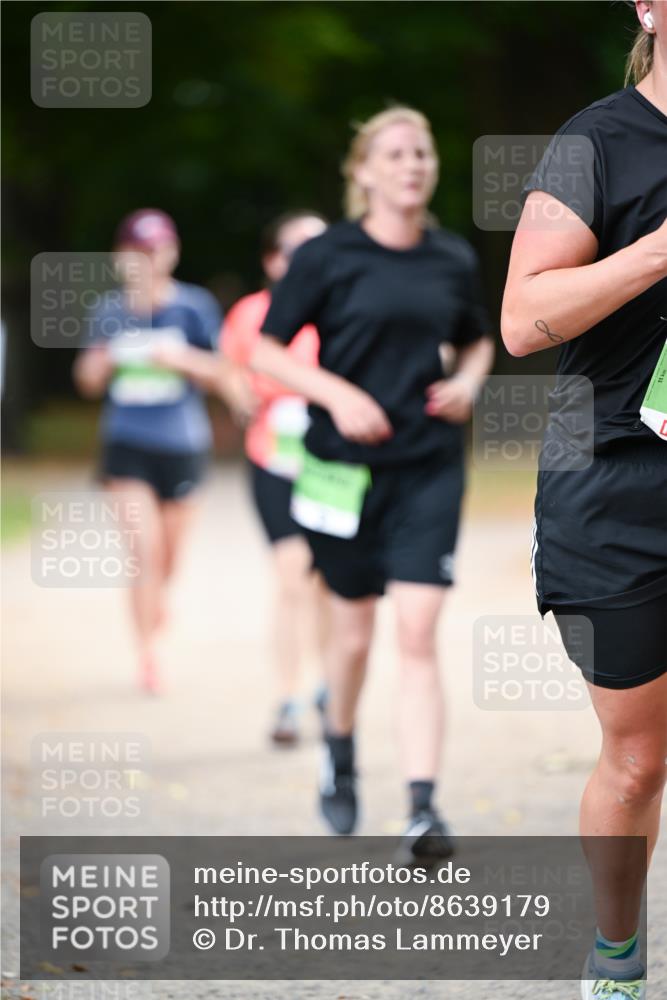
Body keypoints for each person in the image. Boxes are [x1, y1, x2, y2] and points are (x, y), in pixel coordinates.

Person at [252, 107, 494, 860]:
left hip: (427, 465)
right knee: (353, 638)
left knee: (417, 632)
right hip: (340, 472)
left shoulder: (450, 257)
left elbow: (477, 337)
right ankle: (340, 749)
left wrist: (471, 382)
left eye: (421, 152)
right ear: (363, 172)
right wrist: (335, 393)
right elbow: (266, 352)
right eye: (393, 154)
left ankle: (422, 808)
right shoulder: (326, 255)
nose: (411, 165)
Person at [502, 2, 666, 996]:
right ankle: (615, 954)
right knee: (639, 760)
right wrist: (655, 251)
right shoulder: (593, 141)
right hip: (613, 482)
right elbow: (523, 318)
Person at [73, 209, 224, 694]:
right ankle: (148, 654)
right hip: (127, 444)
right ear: (122, 257)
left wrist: (179, 359)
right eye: (138, 251)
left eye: (156, 250)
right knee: (143, 552)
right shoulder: (110, 311)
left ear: (172, 252)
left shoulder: (195, 307)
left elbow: (224, 371)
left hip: (183, 444)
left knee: (169, 560)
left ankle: (159, 599)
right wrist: (103, 364)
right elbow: (86, 379)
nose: (148, 260)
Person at [221, 210, 329, 745]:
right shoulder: (252, 313)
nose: (307, 256)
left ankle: (329, 684)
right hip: (274, 458)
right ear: (272, 259)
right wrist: (241, 393)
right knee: (292, 576)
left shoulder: (342, 308)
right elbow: (231, 368)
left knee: (331, 582)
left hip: (336, 463)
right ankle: (289, 697)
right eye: (295, 247)